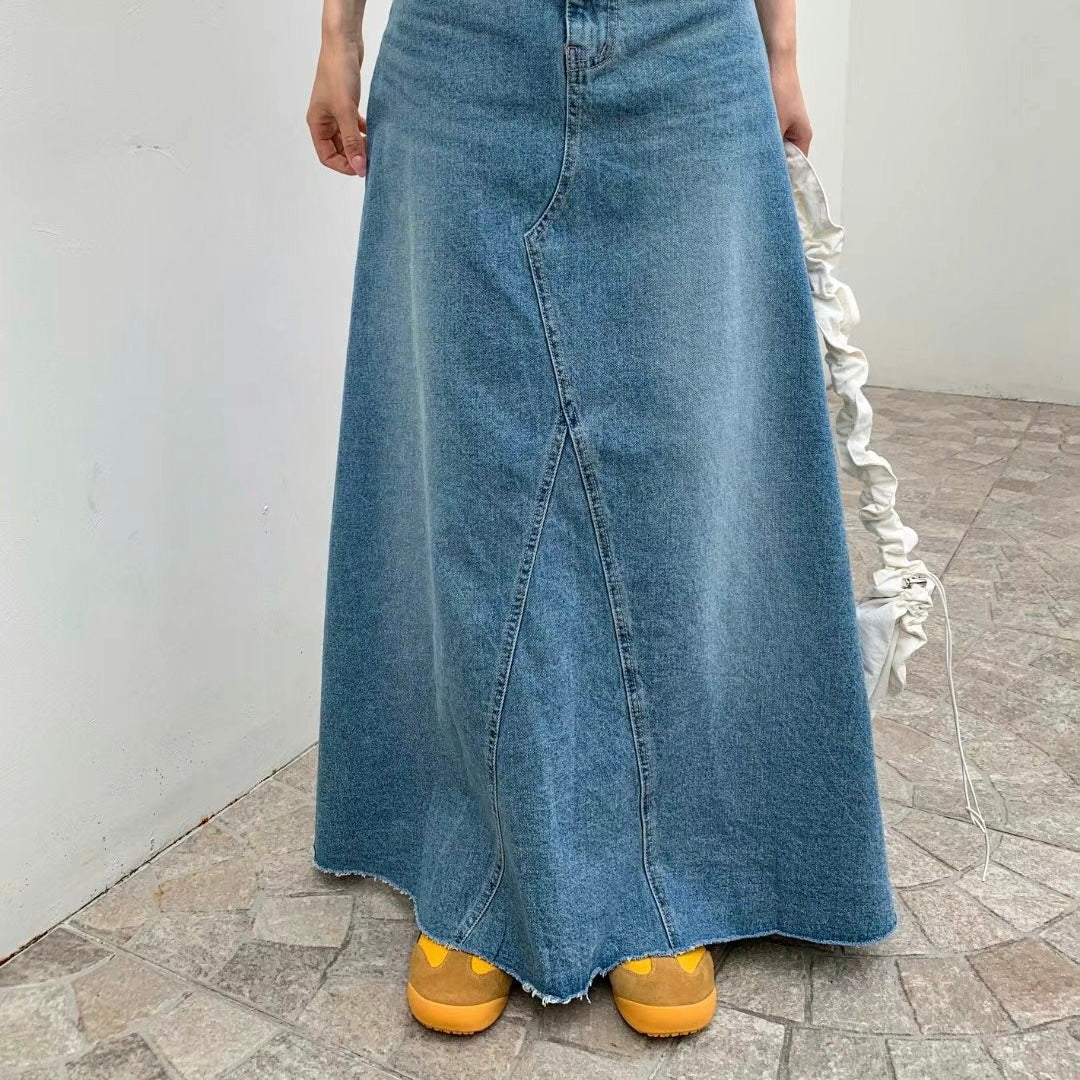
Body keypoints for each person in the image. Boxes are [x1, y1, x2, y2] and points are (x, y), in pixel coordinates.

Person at [306, 0, 895, 1039]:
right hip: (462, 46)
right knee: (470, 467)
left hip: (688, 41)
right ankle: (480, 864)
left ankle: (669, 871)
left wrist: (782, 50)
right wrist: (337, 37)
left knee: (685, 473)